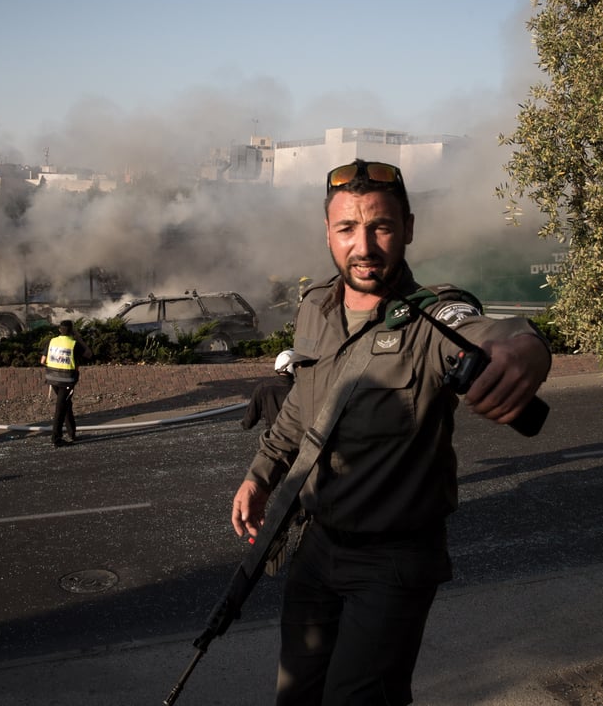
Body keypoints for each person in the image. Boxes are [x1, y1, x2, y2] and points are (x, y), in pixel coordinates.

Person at [230, 159, 552, 705]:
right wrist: (260, 476)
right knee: (295, 695)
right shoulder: (314, 309)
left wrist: (525, 346)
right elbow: (300, 409)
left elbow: (486, 329)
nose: (364, 246)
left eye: (381, 226)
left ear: (407, 227)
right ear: (328, 234)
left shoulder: (432, 318)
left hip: (392, 563)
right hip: (315, 547)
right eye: (347, 229)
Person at [39, 320, 93, 447]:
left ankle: (71, 433)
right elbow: (89, 354)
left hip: (52, 379)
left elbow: (42, 360)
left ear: (59, 330)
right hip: (67, 380)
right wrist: (79, 338)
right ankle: (56, 438)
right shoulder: (74, 344)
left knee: (66, 403)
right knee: (61, 407)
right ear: (72, 331)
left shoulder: (52, 341)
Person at [240, 349, 296, 432]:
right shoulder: (300, 387)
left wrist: (245, 424)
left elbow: (251, 417)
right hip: (298, 436)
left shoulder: (263, 387)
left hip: (273, 435)